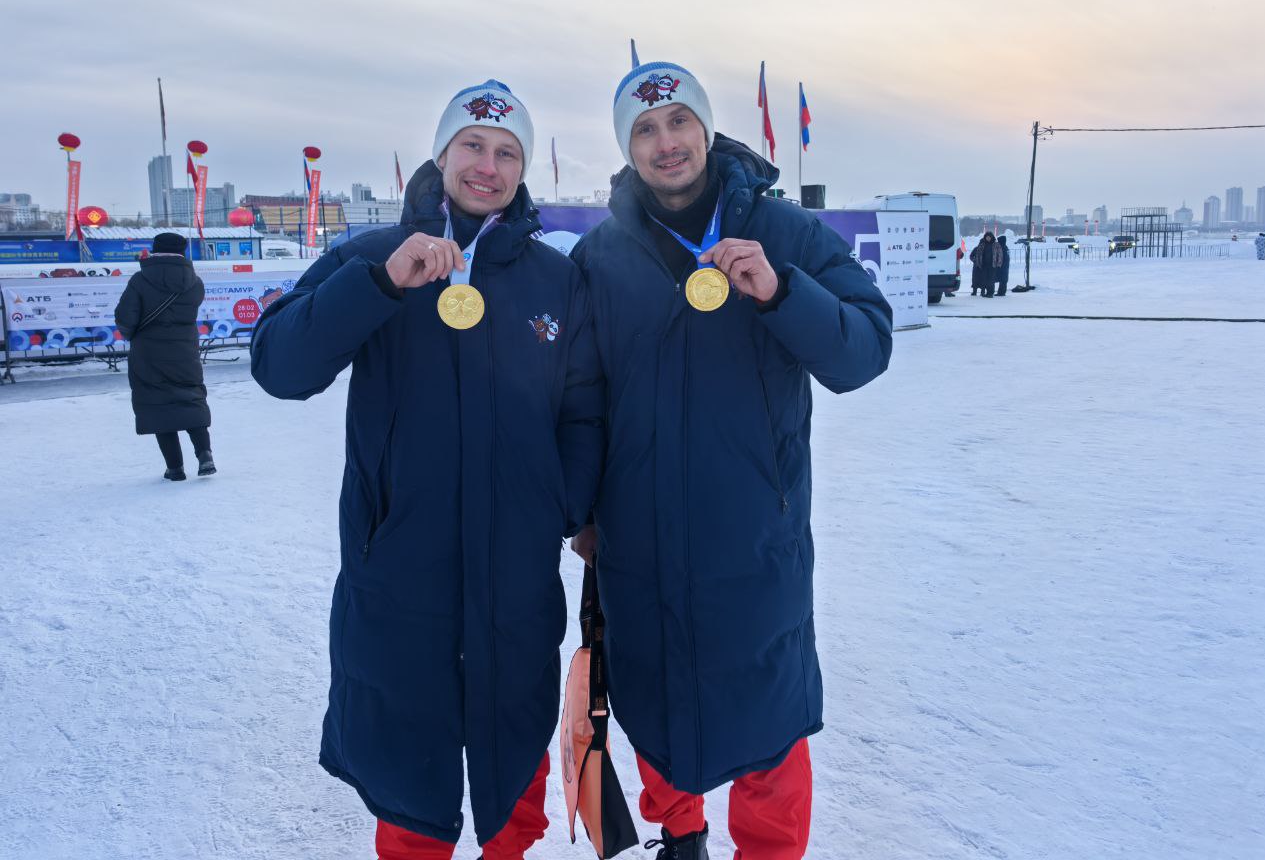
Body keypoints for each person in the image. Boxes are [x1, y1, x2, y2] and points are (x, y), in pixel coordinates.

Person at [250, 79, 603, 860]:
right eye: (472, 146)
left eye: (507, 151)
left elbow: (584, 410)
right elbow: (280, 366)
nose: (488, 164)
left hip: (515, 580)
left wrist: (558, 507)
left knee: (512, 792)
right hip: (401, 578)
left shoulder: (555, 278)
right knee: (413, 803)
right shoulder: (374, 256)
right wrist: (378, 286)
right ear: (440, 155)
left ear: (523, 169)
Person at [569, 61, 893, 859]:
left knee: (771, 730)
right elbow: (579, 396)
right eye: (644, 129)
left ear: (706, 130)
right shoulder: (601, 256)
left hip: (756, 542)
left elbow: (865, 347)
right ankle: (680, 837)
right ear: (628, 146)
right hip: (637, 541)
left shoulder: (784, 232)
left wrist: (784, 293)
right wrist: (580, 512)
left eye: (678, 121)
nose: (666, 142)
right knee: (654, 699)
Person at [113, 231, 214, 480]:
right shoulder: (195, 283)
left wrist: (132, 334)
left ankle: (175, 468)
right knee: (191, 397)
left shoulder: (140, 280)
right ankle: (205, 454)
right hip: (185, 351)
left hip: (149, 353)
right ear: (183, 252)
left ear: (154, 250)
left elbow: (125, 318)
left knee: (158, 405)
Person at [970, 231, 996, 297]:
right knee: (980, 280)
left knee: (990, 280)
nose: (988, 238)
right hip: (981, 266)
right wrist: (975, 261)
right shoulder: (978, 248)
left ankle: (988, 293)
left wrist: (997, 263)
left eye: (989, 237)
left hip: (991, 265)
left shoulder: (995, 245)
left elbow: (999, 255)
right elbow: (971, 256)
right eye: (987, 237)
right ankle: (978, 292)